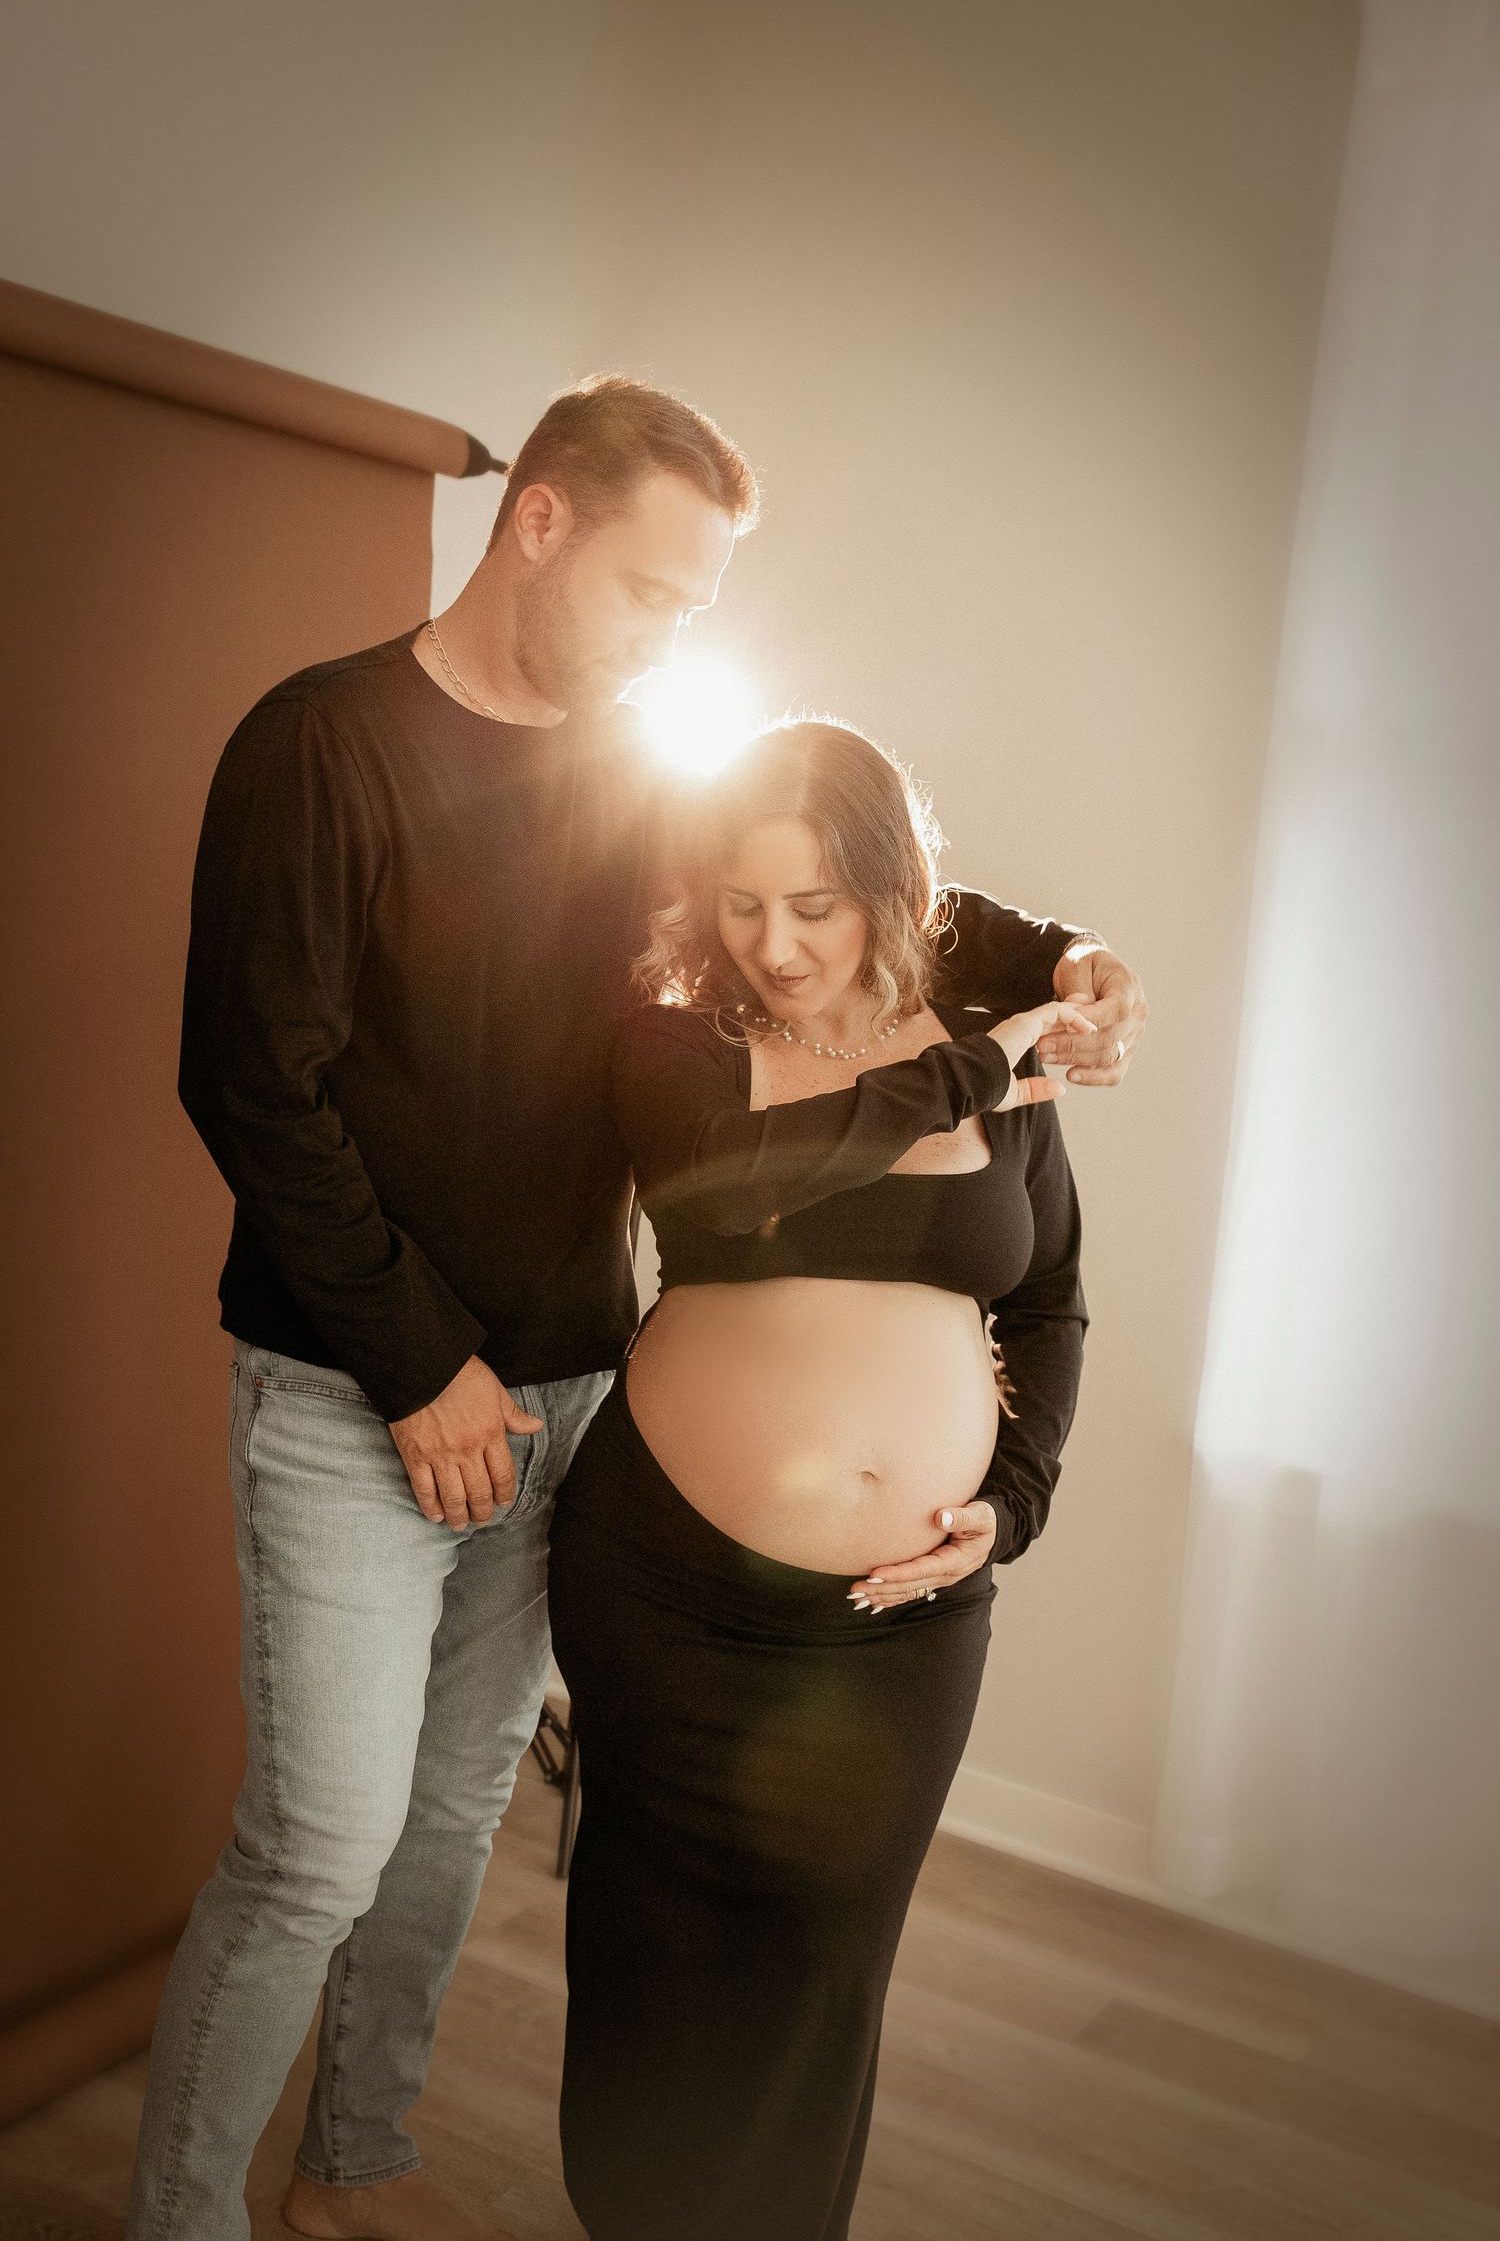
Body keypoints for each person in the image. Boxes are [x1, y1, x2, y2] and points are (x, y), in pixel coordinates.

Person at [125, 376, 1147, 2241]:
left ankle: (351, 2169)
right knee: (320, 1850)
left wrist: (1066, 955)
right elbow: (248, 1088)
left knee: (455, 1823)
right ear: (539, 521)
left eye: (700, 607)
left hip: (568, 1392)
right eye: (656, 592)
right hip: (362, 1386)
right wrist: (421, 1361)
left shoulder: (633, 769)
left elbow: (865, 875)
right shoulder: (322, 745)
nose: (678, 639)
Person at [548, 717, 1095, 2241]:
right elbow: (760, 1178)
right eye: (742, 904)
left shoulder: (996, 1070)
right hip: (666, 1585)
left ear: (890, 890)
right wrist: (982, 1062)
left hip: (900, 1618)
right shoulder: (675, 1048)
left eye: (814, 904)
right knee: (653, 1947)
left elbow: (1049, 1302)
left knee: (823, 1970)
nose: (775, 945)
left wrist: (1016, 1498)